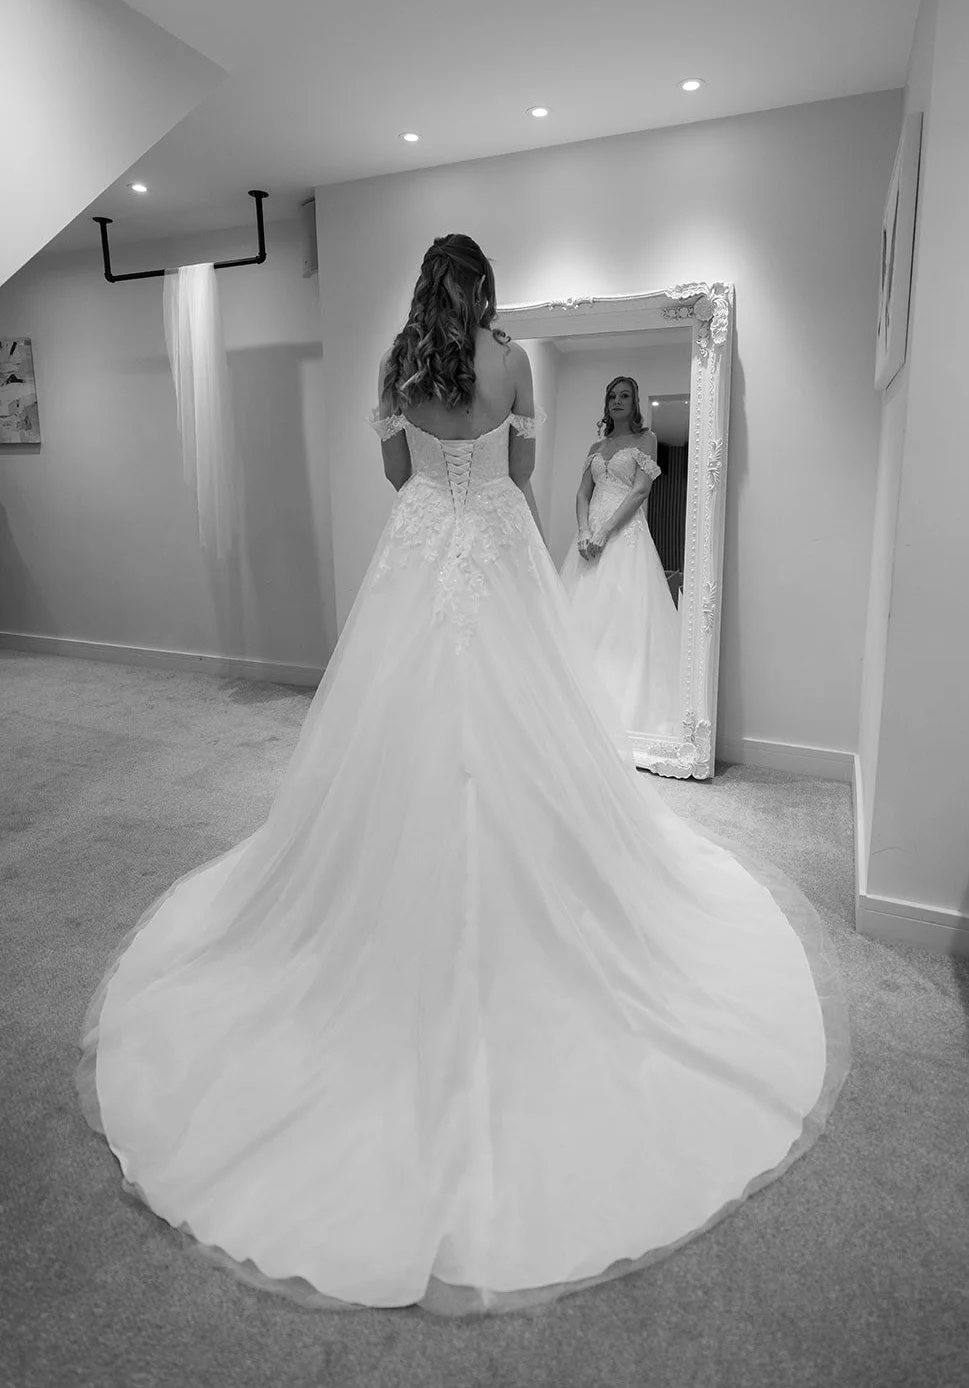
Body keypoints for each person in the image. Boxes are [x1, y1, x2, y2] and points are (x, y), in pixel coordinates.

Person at [75, 233, 850, 1318]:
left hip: (417, 553)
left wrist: (437, 463)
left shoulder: (394, 364)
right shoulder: (514, 359)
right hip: (496, 548)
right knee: (530, 734)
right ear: (482, 288)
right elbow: (525, 477)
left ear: (418, 289)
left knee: (396, 738)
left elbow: (397, 476)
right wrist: (488, 481)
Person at [559, 377, 683, 736]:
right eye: (612, 396)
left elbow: (640, 491)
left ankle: (621, 709)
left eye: (624, 396)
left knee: (622, 616)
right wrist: (584, 531)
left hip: (624, 533)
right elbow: (582, 495)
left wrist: (605, 531)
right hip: (589, 537)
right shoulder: (597, 445)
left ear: (636, 402)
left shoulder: (647, 440)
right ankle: (579, 705)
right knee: (583, 613)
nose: (617, 401)